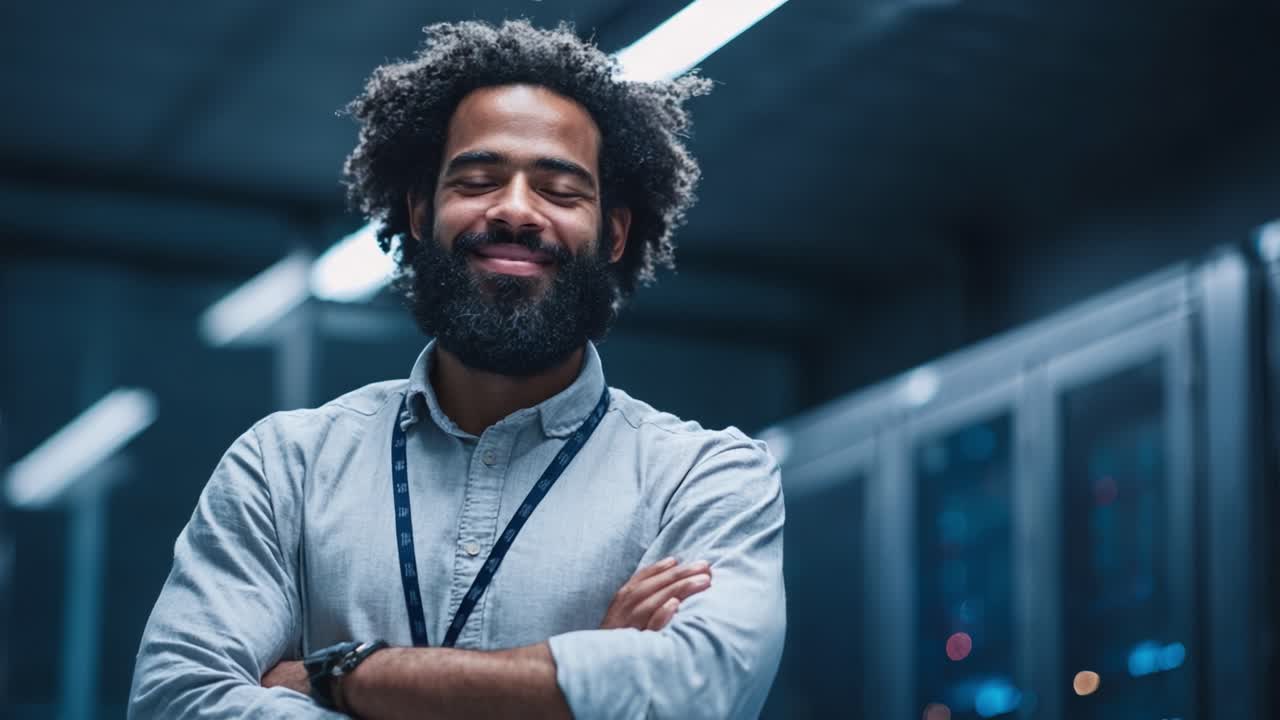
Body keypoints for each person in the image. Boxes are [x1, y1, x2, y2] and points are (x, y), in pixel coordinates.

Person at [129, 19, 785, 720]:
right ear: (419, 211)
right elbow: (180, 701)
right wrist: (579, 683)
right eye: (478, 180)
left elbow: (693, 690)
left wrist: (341, 674)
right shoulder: (286, 465)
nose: (513, 209)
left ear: (614, 233)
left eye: (560, 191)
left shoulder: (707, 478)